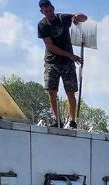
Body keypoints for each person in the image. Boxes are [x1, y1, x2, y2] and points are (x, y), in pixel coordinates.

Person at [37, 1, 87, 129]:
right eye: (45, 11)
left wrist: (77, 16)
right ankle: (57, 119)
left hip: (67, 63)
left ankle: (72, 120)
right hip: (52, 61)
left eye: (50, 10)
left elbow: (83, 18)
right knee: (52, 91)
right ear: (42, 12)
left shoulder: (62, 18)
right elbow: (50, 46)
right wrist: (70, 55)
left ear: (53, 8)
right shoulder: (42, 25)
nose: (49, 13)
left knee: (71, 92)